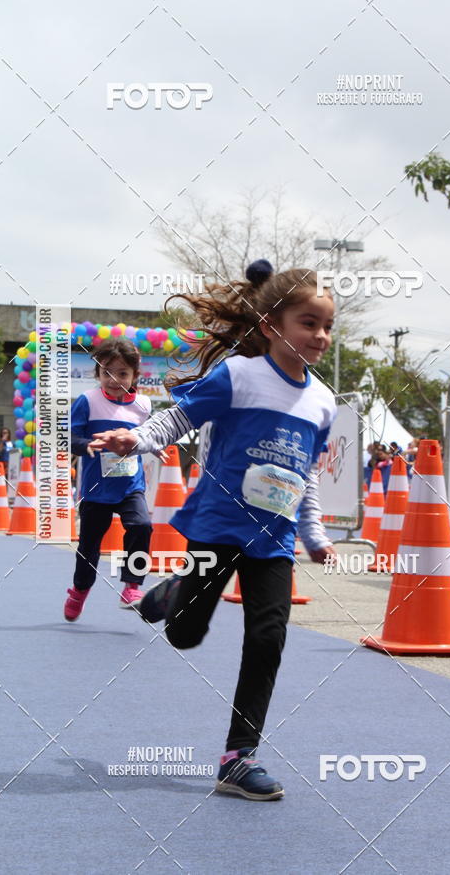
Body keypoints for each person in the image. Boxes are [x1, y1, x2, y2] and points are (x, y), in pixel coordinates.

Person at [91, 261, 337, 801]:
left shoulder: (323, 402)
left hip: (273, 540)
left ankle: (237, 757)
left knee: (268, 636)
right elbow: (178, 418)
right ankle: (174, 592)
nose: (319, 336)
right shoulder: (241, 377)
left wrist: (314, 533)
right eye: (308, 322)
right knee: (185, 634)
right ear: (272, 325)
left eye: (326, 326)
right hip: (218, 527)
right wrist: (136, 441)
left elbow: (307, 473)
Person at [63, 338, 155, 621]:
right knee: (89, 547)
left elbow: (148, 436)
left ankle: (132, 586)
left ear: (135, 376)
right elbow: (69, 437)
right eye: (107, 373)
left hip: (130, 485)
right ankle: (79, 591)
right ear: (97, 374)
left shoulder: (143, 405)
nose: (114, 380)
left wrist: (156, 446)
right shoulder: (88, 401)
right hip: (95, 489)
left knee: (142, 526)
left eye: (123, 373)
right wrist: (86, 445)